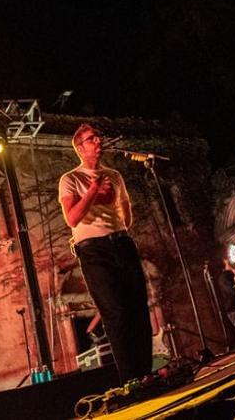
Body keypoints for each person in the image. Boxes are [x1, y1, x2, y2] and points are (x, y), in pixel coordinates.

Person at [59, 123, 152, 384]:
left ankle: (147, 375)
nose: (98, 142)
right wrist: (92, 192)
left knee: (138, 309)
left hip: (121, 242)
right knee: (116, 311)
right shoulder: (71, 179)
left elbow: (126, 212)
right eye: (91, 139)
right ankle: (131, 381)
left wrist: (117, 224)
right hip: (94, 250)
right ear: (80, 147)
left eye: (98, 138)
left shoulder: (114, 175)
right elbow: (72, 218)